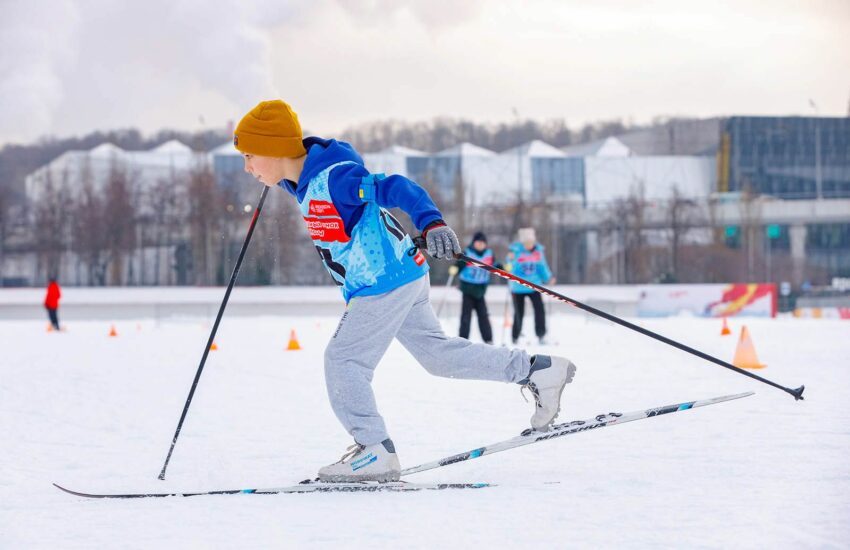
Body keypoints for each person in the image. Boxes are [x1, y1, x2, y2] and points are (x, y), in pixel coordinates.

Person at [233, 100, 577, 482]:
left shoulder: (336, 178)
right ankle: (537, 371)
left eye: (249, 156)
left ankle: (374, 450)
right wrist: (275, 176)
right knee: (438, 356)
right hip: (402, 275)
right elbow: (292, 175)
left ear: (275, 147)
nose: (247, 167)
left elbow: (396, 187)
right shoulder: (300, 180)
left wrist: (432, 223)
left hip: (383, 282)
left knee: (343, 360)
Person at [506, 227, 554, 345]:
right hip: (518, 287)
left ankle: (541, 334)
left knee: (539, 310)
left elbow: (542, 266)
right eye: (526, 243)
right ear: (523, 243)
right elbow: (509, 268)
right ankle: (515, 336)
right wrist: (510, 260)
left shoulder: (538, 251)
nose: (529, 245)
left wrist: (548, 278)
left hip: (534, 286)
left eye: (531, 242)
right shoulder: (516, 251)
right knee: (519, 313)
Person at [449, 231, 497, 344]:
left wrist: (503, 268)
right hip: (468, 289)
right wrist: (455, 269)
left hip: (481, 290)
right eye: (478, 242)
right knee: (466, 316)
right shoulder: (468, 253)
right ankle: (463, 339)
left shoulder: (489, 254)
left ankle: (488, 339)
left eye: (482, 243)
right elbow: (459, 264)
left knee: (483, 315)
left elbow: (494, 266)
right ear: (474, 243)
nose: (480, 245)